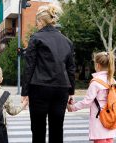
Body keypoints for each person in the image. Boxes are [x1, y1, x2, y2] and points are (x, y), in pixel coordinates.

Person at [21, 4, 76, 143]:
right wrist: (71, 91)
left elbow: (29, 66)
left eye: (37, 22)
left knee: (38, 129)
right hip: (61, 89)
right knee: (57, 129)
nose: (36, 25)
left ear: (40, 21)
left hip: (39, 88)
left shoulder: (36, 38)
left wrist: (24, 92)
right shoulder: (67, 41)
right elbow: (71, 68)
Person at [68, 52, 116, 143]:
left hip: (99, 118)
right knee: (109, 140)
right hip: (111, 117)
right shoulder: (112, 80)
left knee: (100, 140)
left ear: (97, 65)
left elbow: (87, 102)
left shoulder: (96, 82)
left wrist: (72, 107)